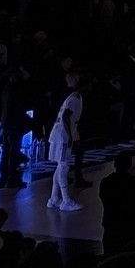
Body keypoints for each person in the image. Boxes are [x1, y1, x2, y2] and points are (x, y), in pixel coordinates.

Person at [98, 151, 135, 254]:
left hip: (111, 225)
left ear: (115, 164)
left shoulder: (106, 182)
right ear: (129, 165)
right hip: (130, 227)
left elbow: (103, 197)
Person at [46, 74, 82, 212]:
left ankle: (54, 198)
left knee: (60, 166)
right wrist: (70, 136)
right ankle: (66, 200)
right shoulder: (74, 98)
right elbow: (66, 116)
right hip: (62, 136)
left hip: (59, 134)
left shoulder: (72, 97)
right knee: (64, 166)